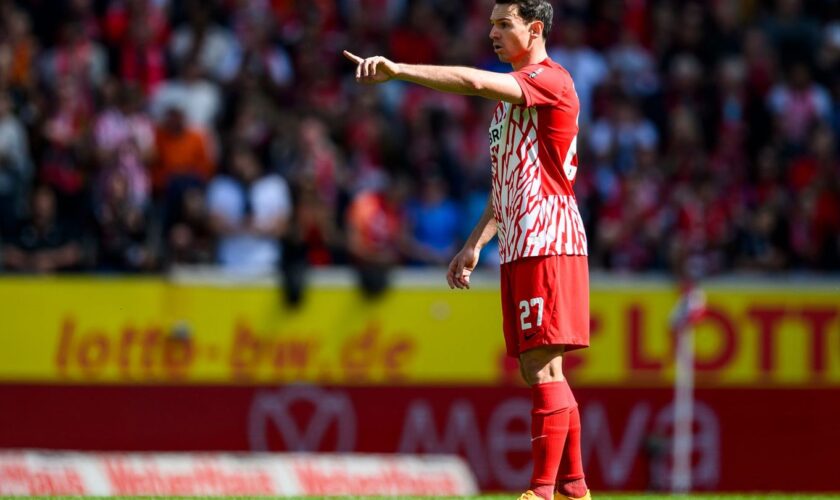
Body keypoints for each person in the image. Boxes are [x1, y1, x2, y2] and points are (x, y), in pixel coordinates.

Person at [344, 1, 591, 499]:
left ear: (535, 29)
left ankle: (543, 492)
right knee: (535, 369)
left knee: (544, 367)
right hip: (521, 241)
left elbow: (474, 82)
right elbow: (504, 187)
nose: (493, 34)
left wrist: (398, 71)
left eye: (505, 25)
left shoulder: (551, 80)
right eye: (491, 25)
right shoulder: (509, 108)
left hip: (549, 238)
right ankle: (574, 488)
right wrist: (474, 244)